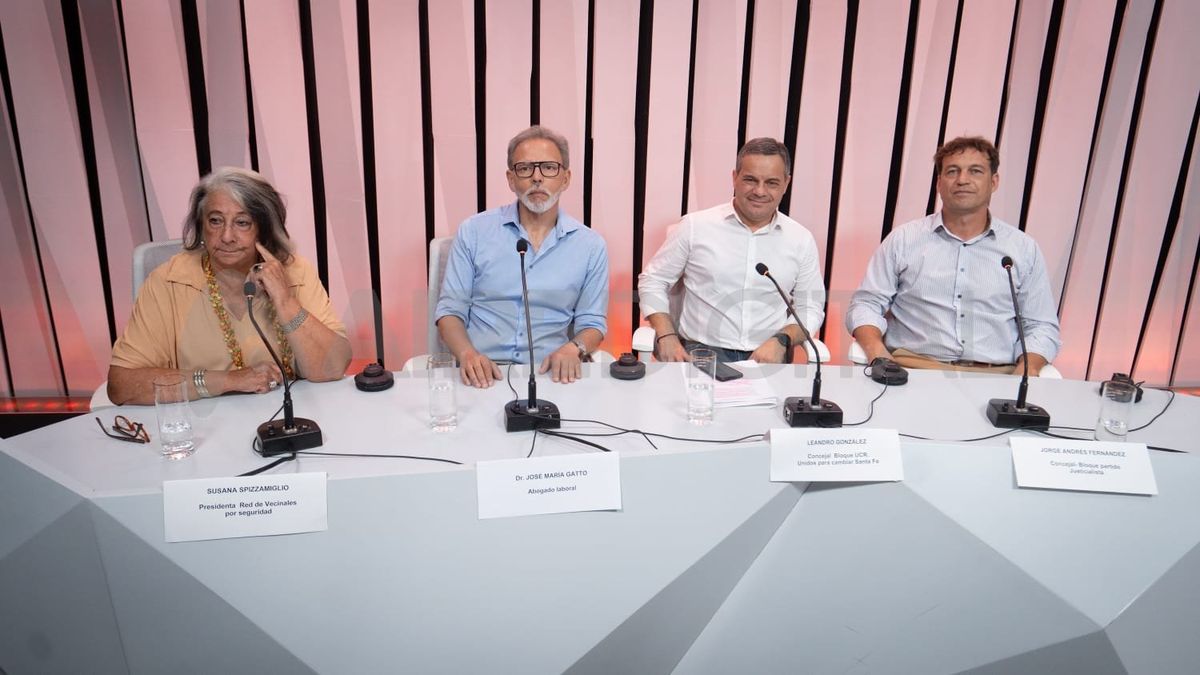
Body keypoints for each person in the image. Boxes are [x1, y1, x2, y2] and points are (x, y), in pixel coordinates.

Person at [107, 167, 352, 405]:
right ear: (202, 226)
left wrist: (285, 301)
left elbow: (332, 368)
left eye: (242, 222)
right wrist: (229, 380)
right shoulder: (167, 281)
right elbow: (122, 384)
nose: (226, 236)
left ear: (264, 230)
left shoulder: (295, 271)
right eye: (215, 221)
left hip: (288, 421)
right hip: (205, 431)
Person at [846, 136, 1061, 375]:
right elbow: (866, 304)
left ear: (994, 182)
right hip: (913, 368)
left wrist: (1026, 371)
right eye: (952, 172)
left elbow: (1041, 325)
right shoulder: (904, 239)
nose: (962, 180)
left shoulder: (1022, 249)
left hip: (997, 374)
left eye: (975, 171)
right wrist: (878, 353)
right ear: (939, 183)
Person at [435, 125, 609, 388]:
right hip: (480, 374)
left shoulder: (590, 245)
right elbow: (449, 312)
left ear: (565, 178)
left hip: (550, 374)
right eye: (525, 168)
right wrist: (467, 354)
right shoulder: (474, 231)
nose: (537, 178)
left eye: (549, 168)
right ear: (511, 179)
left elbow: (593, 323)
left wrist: (574, 348)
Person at [637, 137, 825, 363]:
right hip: (701, 354)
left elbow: (810, 306)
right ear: (734, 178)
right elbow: (653, 280)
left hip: (769, 355)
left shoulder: (800, 239)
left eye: (772, 183)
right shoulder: (695, 226)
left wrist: (782, 340)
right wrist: (666, 335)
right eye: (750, 179)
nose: (759, 191)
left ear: (786, 183)